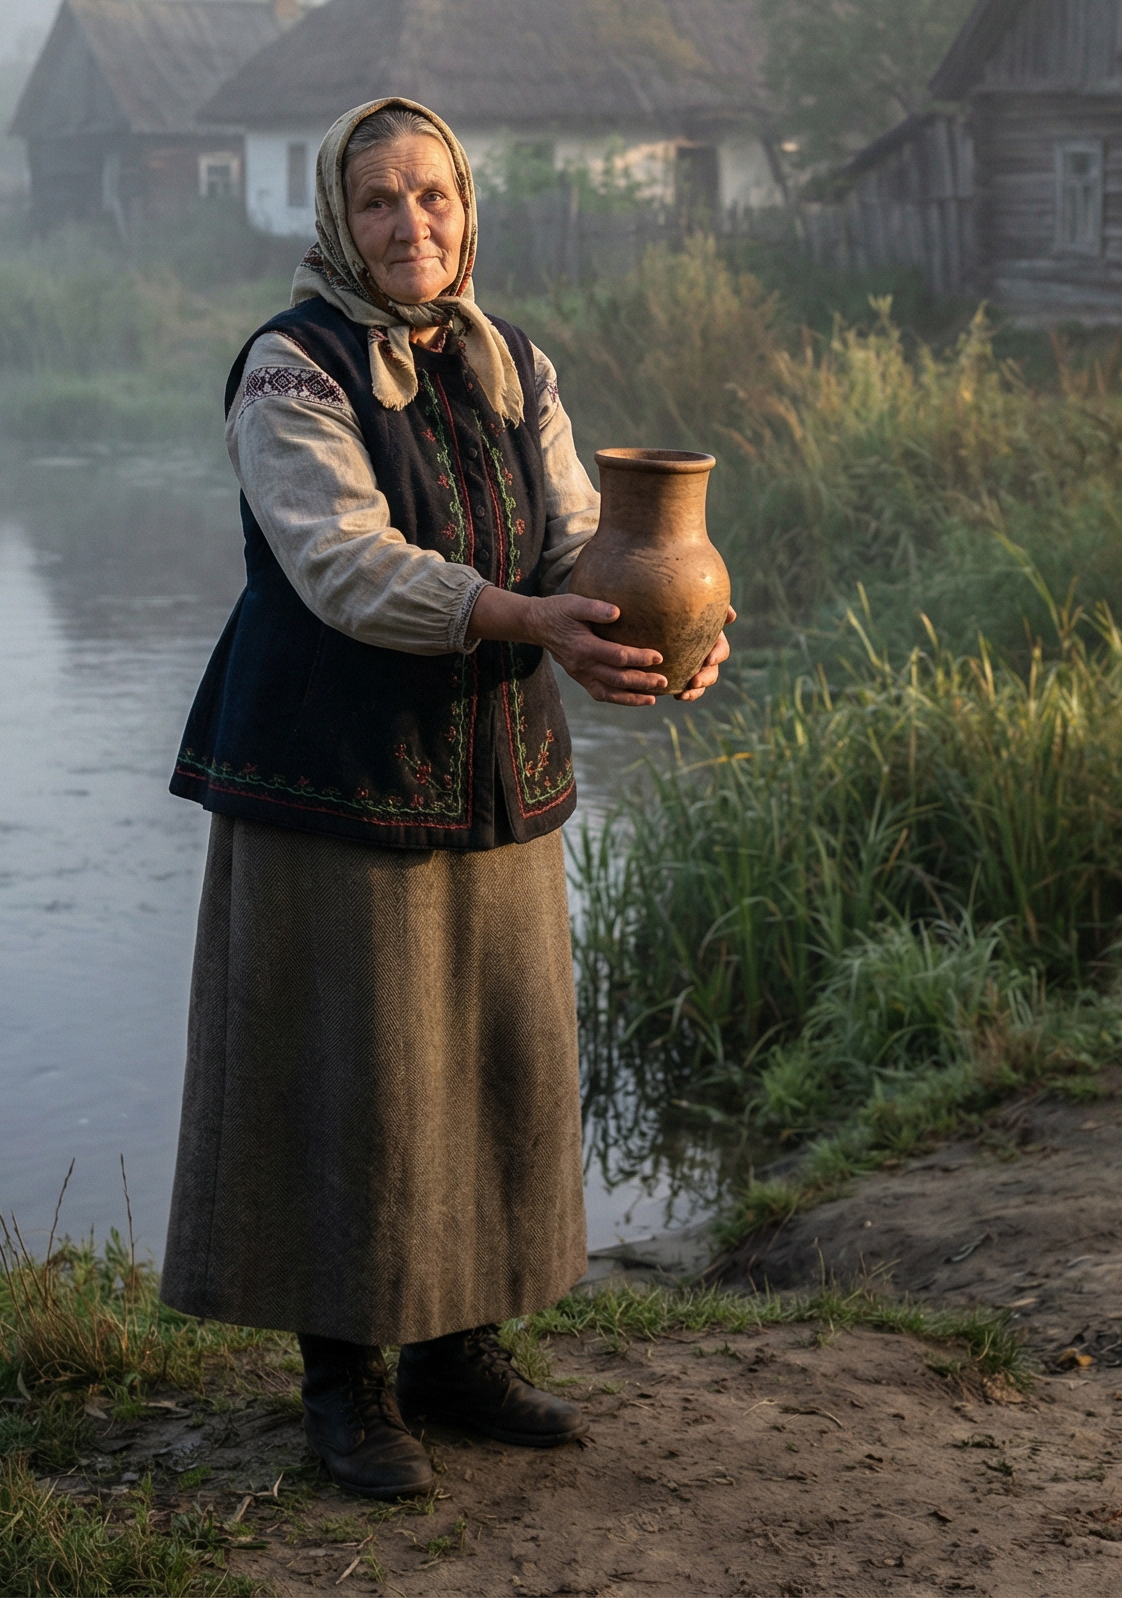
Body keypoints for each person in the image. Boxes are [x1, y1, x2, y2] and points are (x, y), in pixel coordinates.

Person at [160, 96, 731, 1499]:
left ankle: (456, 1353)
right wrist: (526, 621)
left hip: (490, 767)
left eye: (434, 196)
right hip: (334, 771)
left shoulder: (512, 361)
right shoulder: (290, 370)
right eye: (377, 200)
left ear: (467, 207)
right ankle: (344, 1387)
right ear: (336, 218)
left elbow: (575, 530)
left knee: (484, 1055)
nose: (410, 224)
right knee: (351, 1072)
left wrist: (662, 616)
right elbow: (344, 565)